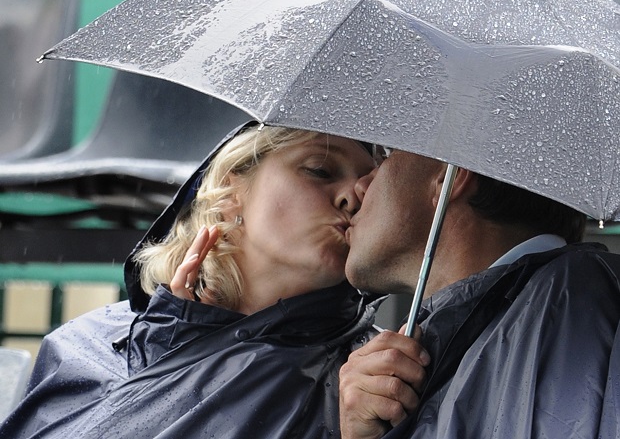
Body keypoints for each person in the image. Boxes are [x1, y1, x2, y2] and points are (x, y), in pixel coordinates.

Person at [1, 123, 389, 439]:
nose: (351, 199)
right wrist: (186, 342)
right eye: (320, 169)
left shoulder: (376, 379)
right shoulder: (86, 344)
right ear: (233, 189)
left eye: (368, 189)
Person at [339, 150, 620, 438]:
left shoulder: (575, 307)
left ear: (450, 175)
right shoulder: (470, 337)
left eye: (386, 156)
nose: (358, 188)